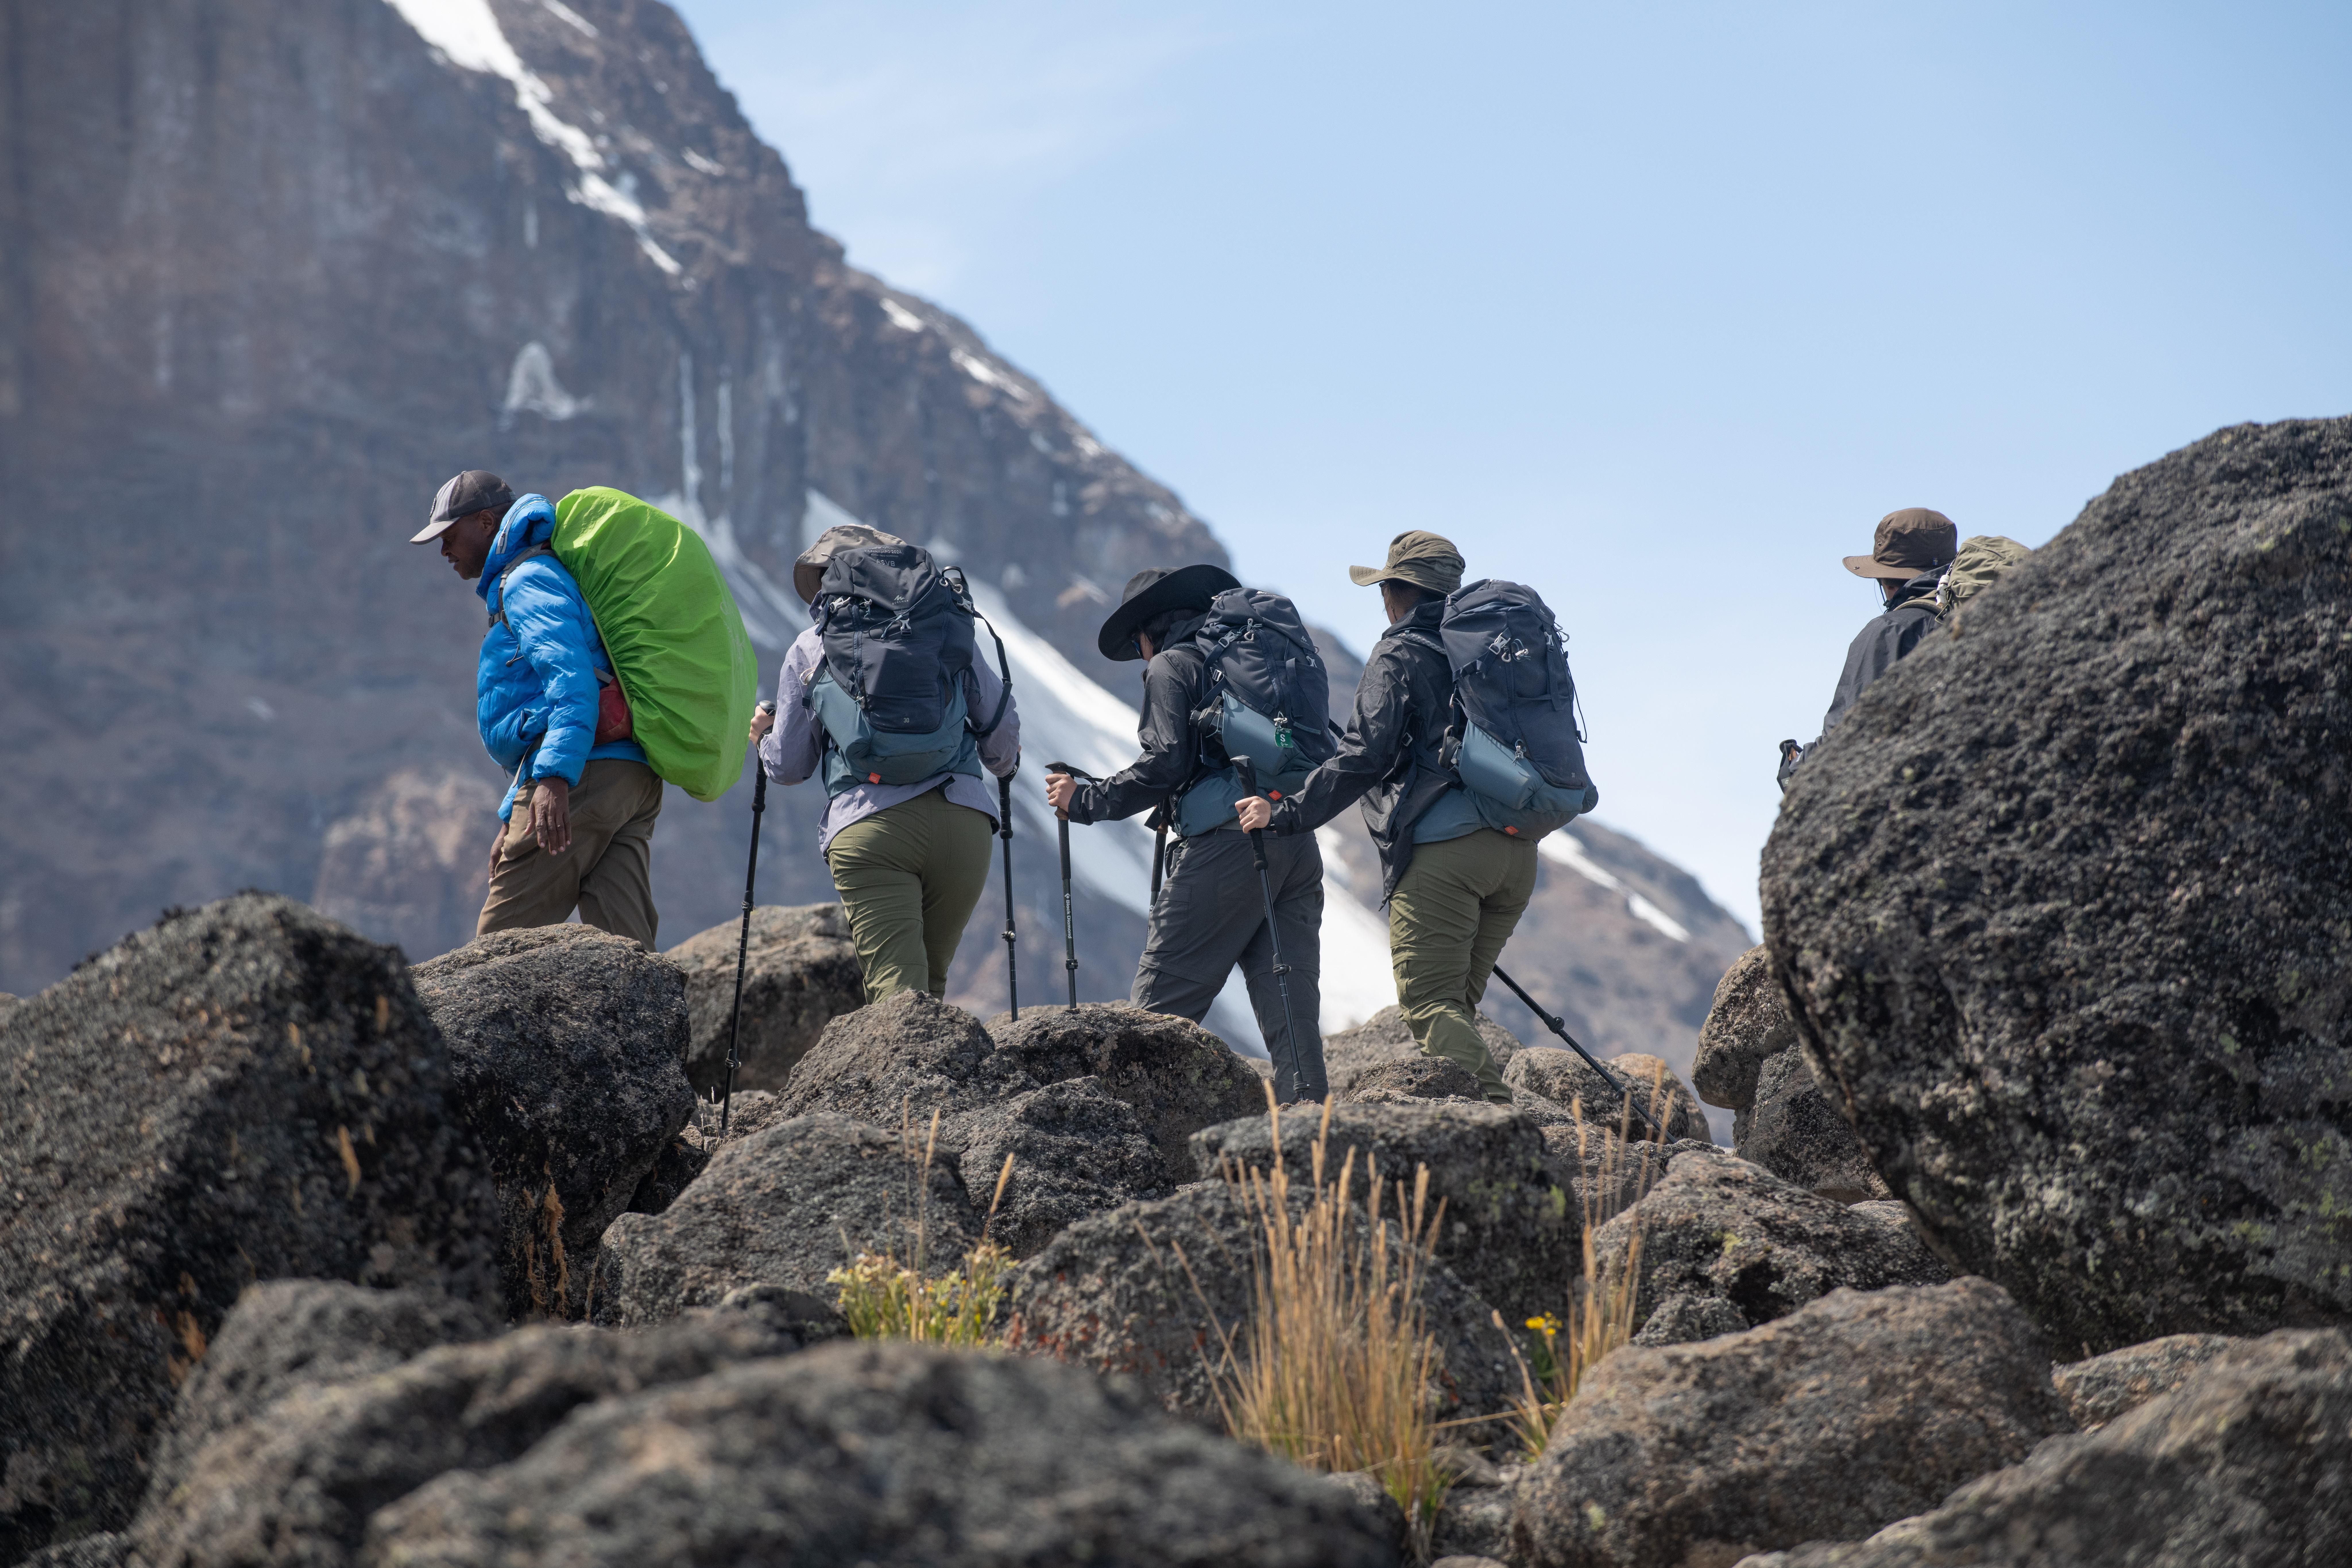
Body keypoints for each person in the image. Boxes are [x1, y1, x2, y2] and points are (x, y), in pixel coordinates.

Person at [1234, 530, 1521, 1104]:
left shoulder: (1402, 651)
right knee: (1455, 1005)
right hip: (1516, 852)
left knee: (1430, 1007)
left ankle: (1504, 1129)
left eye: (1384, 587)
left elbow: (1362, 755)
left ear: (1398, 591)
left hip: (1448, 854)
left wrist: (1285, 813)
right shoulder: (1492, 652)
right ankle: (1478, 1140)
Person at [1045, 566, 1330, 1104]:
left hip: (1226, 850)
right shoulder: (1247, 663)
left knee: (1157, 1012)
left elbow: (1164, 765)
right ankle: (1311, 1141)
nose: (1142, 656)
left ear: (1148, 633)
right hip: (1292, 839)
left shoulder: (1172, 665)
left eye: (1138, 645)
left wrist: (1083, 800)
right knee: (1291, 1011)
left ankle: (1132, 1145)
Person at [749, 523, 1021, 1003]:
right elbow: (1001, 749)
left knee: (898, 999)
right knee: (931, 994)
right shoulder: (948, 627)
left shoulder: (812, 646)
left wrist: (764, 738)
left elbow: (790, 766)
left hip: (871, 829)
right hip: (963, 826)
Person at [413, 469, 664, 945]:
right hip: (629, 776)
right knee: (628, 947)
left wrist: (553, 779)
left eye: (448, 535)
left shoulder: (527, 580)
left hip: (584, 770)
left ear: (486, 522)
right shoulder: (542, 573)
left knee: (496, 953)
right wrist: (513, 811)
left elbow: (571, 682)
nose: (444, 551)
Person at [1776, 508, 1958, 788]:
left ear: (1884, 580)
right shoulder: (1976, 620)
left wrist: (1796, 769)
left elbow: (1845, 739)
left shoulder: (1889, 631)